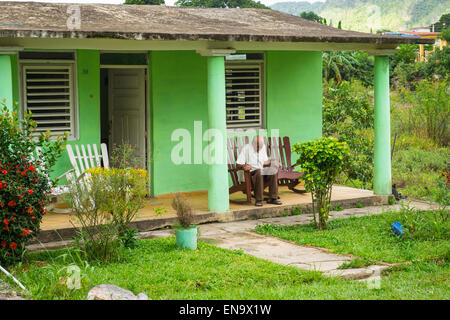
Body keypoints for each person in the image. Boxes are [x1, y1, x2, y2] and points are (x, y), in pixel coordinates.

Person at [236, 135, 282, 207]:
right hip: (251, 174)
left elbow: (264, 162)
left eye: (261, 146)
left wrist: (272, 163)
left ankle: (273, 198)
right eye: (258, 146)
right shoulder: (246, 148)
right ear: (253, 143)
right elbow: (238, 164)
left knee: (273, 170)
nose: (260, 148)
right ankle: (259, 199)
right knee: (259, 171)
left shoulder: (262, 147)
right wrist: (243, 166)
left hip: (261, 172)